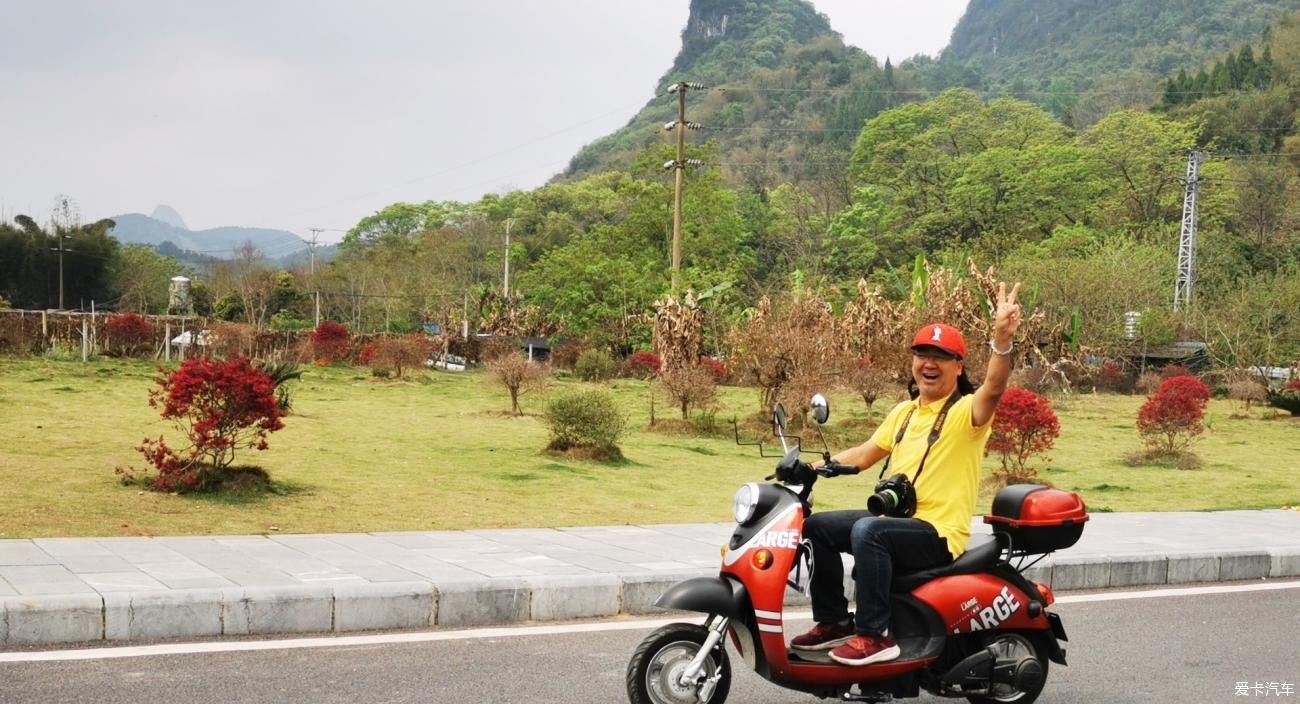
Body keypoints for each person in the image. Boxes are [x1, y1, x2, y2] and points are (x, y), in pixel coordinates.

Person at [791, 282, 1022, 667]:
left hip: (939, 532)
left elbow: (994, 388)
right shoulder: (904, 412)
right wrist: (809, 468)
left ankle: (875, 636)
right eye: (922, 354)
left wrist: (1001, 339)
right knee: (817, 528)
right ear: (913, 362)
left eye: (941, 356)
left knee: (869, 531)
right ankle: (832, 622)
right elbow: (864, 454)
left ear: (958, 366)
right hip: (899, 523)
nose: (929, 364)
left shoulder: (966, 413)